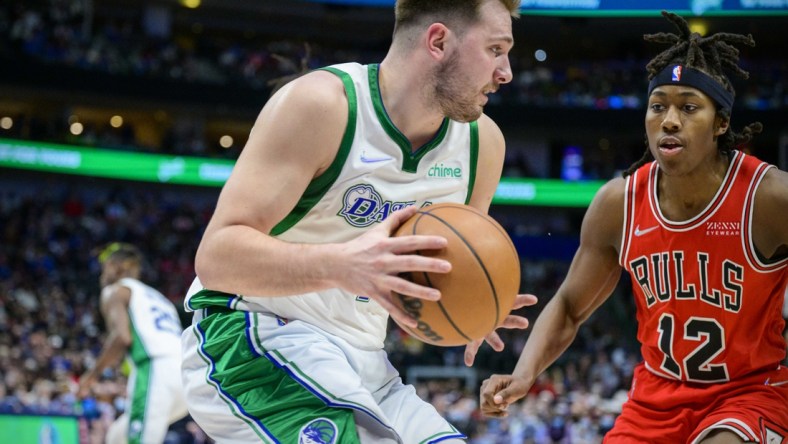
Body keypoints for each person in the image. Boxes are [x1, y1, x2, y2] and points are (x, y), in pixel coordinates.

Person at [180, 1, 538, 442]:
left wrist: (474, 303)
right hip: (254, 334)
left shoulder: (484, 144)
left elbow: (430, 283)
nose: (506, 73)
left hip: (365, 363)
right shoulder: (324, 105)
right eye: (495, 50)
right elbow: (216, 258)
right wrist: (344, 265)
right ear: (439, 41)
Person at [480, 10, 788, 444]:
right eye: (658, 105)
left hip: (748, 394)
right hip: (654, 400)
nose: (669, 119)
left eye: (689, 107)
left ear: (721, 123)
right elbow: (569, 305)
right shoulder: (619, 203)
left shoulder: (769, 197)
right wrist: (524, 373)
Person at [78, 243, 189, 444]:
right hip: (187, 377)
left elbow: (122, 337)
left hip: (156, 369)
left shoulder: (115, 291)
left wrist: (91, 376)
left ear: (117, 267)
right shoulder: (159, 298)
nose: (102, 274)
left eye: (105, 267)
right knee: (116, 436)